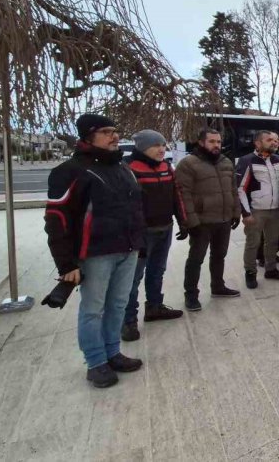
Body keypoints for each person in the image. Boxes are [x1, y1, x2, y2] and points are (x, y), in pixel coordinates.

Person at [44, 113, 144, 388]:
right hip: (95, 254)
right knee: (93, 310)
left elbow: (135, 209)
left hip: (128, 249)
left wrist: (140, 243)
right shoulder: (70, 171)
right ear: (88, 136)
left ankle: (112, 352)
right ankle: (96, 362)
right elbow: (57, 220)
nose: (115, 136)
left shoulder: (123, 167)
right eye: (106, 132)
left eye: (115, 130)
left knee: (118, 305)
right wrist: (66, 264)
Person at [121, 129, 186, 343]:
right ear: (142, 147)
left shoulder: (166, 167)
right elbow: (126, 206)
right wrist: (132, 235)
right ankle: (128, 320)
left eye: (163, 144)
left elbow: (177, 196)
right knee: (133, 278)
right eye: (155, 145)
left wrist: (183, 221)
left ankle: (155, 306)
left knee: (157, 270)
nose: (161, 149)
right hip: (141, 234)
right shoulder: (128, 169)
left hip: (164, 228)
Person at [175, 128, 241, 311]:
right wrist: (191, 221)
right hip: (202, 221)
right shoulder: (188, 164)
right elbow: (183, 194)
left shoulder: (226, 162)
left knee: (219, 255)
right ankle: (191, 294)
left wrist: (236, 212)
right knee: (196, 259)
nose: (216, 145)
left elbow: (233, 190)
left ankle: (218, 286)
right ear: (201, 142)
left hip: (224, 219)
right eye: (212, 141)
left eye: (218, 142)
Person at [235, 130, 279, 290]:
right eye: (270, 140)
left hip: (276, 210)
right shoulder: (247, 160)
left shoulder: (278, 160)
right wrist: (246, 213)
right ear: (257, 143)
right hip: (256, 211)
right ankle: (250, 273)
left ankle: (270, 269)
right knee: (253, 243)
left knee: (272, 242)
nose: (274, 142)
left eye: (276, 140)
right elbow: (240, 188)